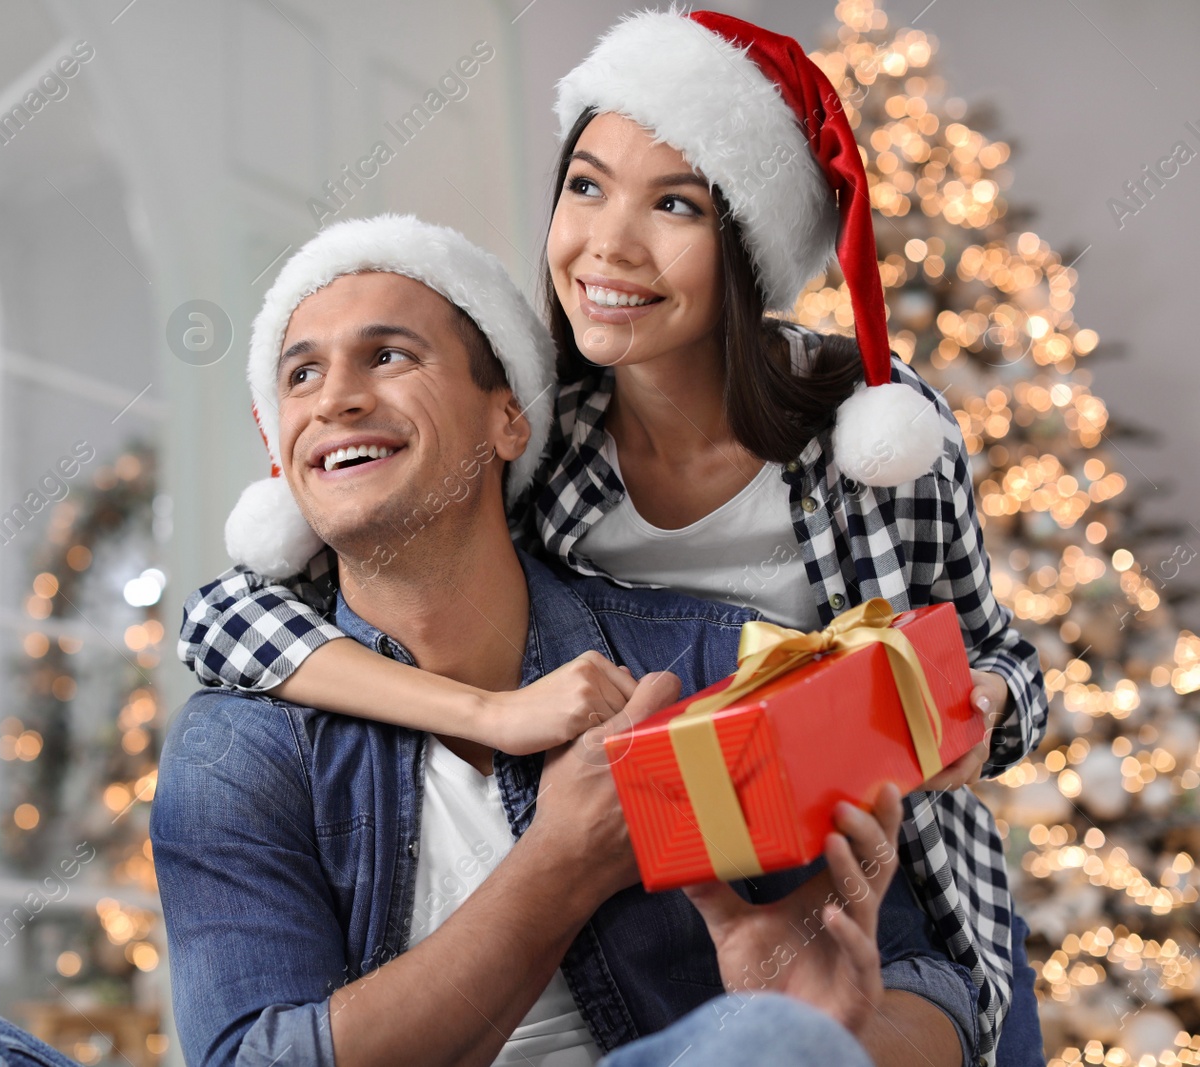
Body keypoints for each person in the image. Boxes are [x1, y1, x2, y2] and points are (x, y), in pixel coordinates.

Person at [178, 12, 1047, 1064]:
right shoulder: (552, 441)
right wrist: (494, 713)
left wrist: (962, 714)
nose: (608, 244)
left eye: (674, 203)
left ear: (743, 242)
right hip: (672, 817)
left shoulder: (871, 434)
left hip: (879, 849)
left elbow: (996, 651)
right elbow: (237, 615)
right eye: (585, 187)